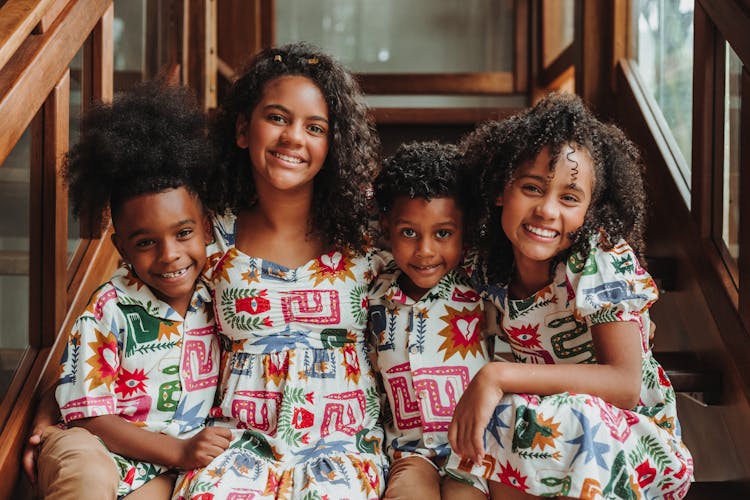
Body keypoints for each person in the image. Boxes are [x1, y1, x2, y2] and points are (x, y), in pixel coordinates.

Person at [445, 92, 693, 499]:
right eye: (531, 187)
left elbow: (625, 384)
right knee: (487, 427)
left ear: (590, 211)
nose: (547, 210)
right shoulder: (485, 265)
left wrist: (498, 374)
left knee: (561, 414)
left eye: (569, 198)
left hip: (635, 444)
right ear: (499, 190)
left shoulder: (596, 258)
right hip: (552, 428)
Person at [172, 42, 387, 499]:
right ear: (242, 130)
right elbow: (133, 314)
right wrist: (61, 410)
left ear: (332, 146)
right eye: (277, 117)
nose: (294, 137)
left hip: (344, 449)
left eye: (315, 127)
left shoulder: (366, 245)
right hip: (235, 445)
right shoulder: (208, 238)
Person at [30, 82, 231, 500]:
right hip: (97, 441)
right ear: (121, 248)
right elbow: (88, 416)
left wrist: (180, 456)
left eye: (184, 233)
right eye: (145, 242)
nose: (170, 255)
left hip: (168, 468)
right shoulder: (110, 306)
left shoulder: (223, 288)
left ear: (208, 228)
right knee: (85, 478)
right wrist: (178, 450)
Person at [368, 141, 489, 499]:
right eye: (408, 232)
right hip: (410, 451)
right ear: (386, 225)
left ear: (464, 230)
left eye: (442, 233)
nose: (425, 251)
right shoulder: (373, 289)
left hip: (474, 451)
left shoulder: (482, 286)